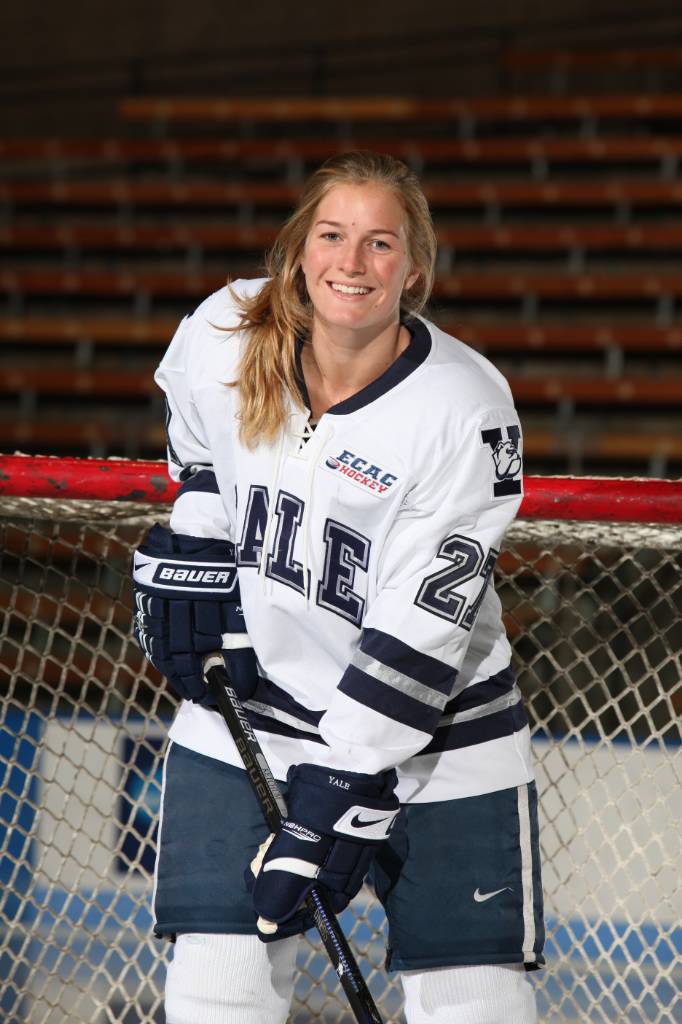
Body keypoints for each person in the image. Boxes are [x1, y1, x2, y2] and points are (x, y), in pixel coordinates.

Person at [133, 150, 544, 1024]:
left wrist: (333, 796)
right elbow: (198, 439)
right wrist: (203, 539)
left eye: (380, 243)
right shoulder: (225, 331)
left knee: (476, 1007)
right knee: (214, 1002)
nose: (351, 264)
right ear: (297, 249)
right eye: (332, 235)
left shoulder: (464, 409)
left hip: (438, 743)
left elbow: (417, 636)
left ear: (415, 270)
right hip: (250, 716)